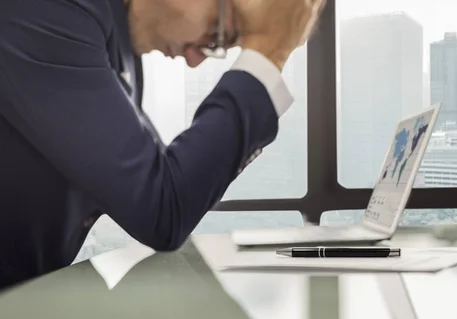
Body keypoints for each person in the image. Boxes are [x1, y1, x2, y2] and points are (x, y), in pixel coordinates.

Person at [0, 0, 324, 288]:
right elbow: (162, 209)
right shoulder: (48, 10)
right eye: (217, 29)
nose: (197, 60)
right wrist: (270, 52)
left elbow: (169, 181)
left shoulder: (115, 39)